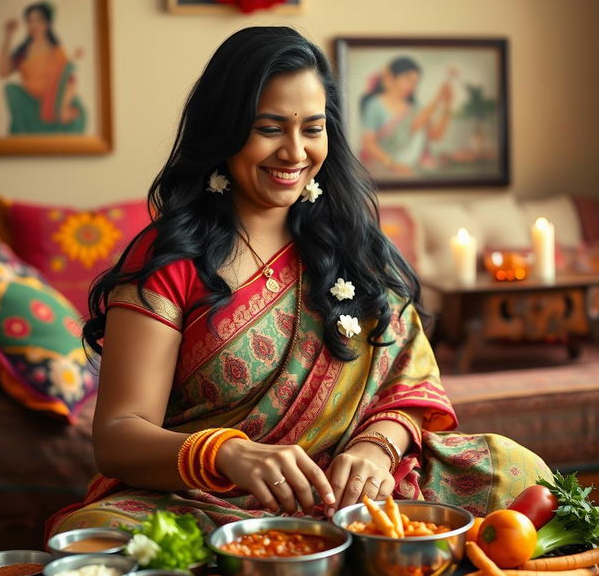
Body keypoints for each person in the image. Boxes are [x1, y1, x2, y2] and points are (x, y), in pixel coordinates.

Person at [47, 27, 550, 536]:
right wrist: (230, 454)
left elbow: (408, 382)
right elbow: (117, 437)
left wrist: (376, 449)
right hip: (208, 499)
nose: (294, 153)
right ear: (225, 129)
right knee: (98, 540)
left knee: (515, 472)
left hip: (354, 488)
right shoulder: (171, 259)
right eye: (269, 128)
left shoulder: (351, 240)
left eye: (312, 129)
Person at [0, 1, 86, 134]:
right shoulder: (23, 52)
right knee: (10, 89)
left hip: (53, 103)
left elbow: (69, 80)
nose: (33, 25)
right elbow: (3, 72)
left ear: (48, 23)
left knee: (76, 118)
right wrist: (8, 36)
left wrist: (62, 107)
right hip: (30, 103)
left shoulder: (56, 52)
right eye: (29, 20)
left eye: (38, 20)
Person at [359, 57, 453, 177]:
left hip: (411, 170)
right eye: (408, 80)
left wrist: (447, 105)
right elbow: (368, 143)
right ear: (391, 77)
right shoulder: (375, 105)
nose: (411, 86)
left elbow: (435, 135)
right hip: (384, 170)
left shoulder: (414, 108)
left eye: (415, 82)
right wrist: (391, 163)